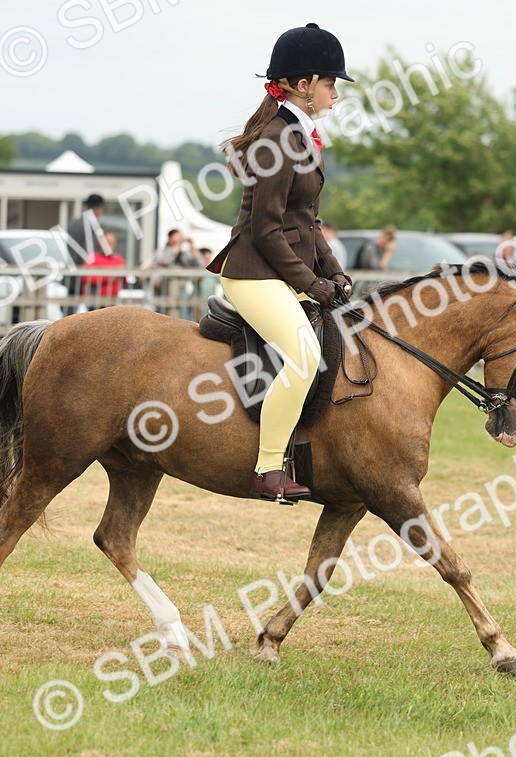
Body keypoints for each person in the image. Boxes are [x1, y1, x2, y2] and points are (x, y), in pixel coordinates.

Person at [205, 22, 353, 503]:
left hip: (279, 273)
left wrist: (334, 271)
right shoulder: (276, 140)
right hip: (252, 274)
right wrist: (312, 283)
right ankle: (268, 468)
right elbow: (267, 229)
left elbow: (307, 222)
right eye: (330, 84)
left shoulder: (300, 135)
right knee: (305, 357)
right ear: (304, 85)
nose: (336, 94)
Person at [81, 231, 125, 309]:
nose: (109, 246)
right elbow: (85, 277)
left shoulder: (118, 259)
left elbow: (124, 277)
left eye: (112, 243)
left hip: (112, 303)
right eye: (107, 243)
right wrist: (110, 276)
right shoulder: (93, 257)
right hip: (94, 302)